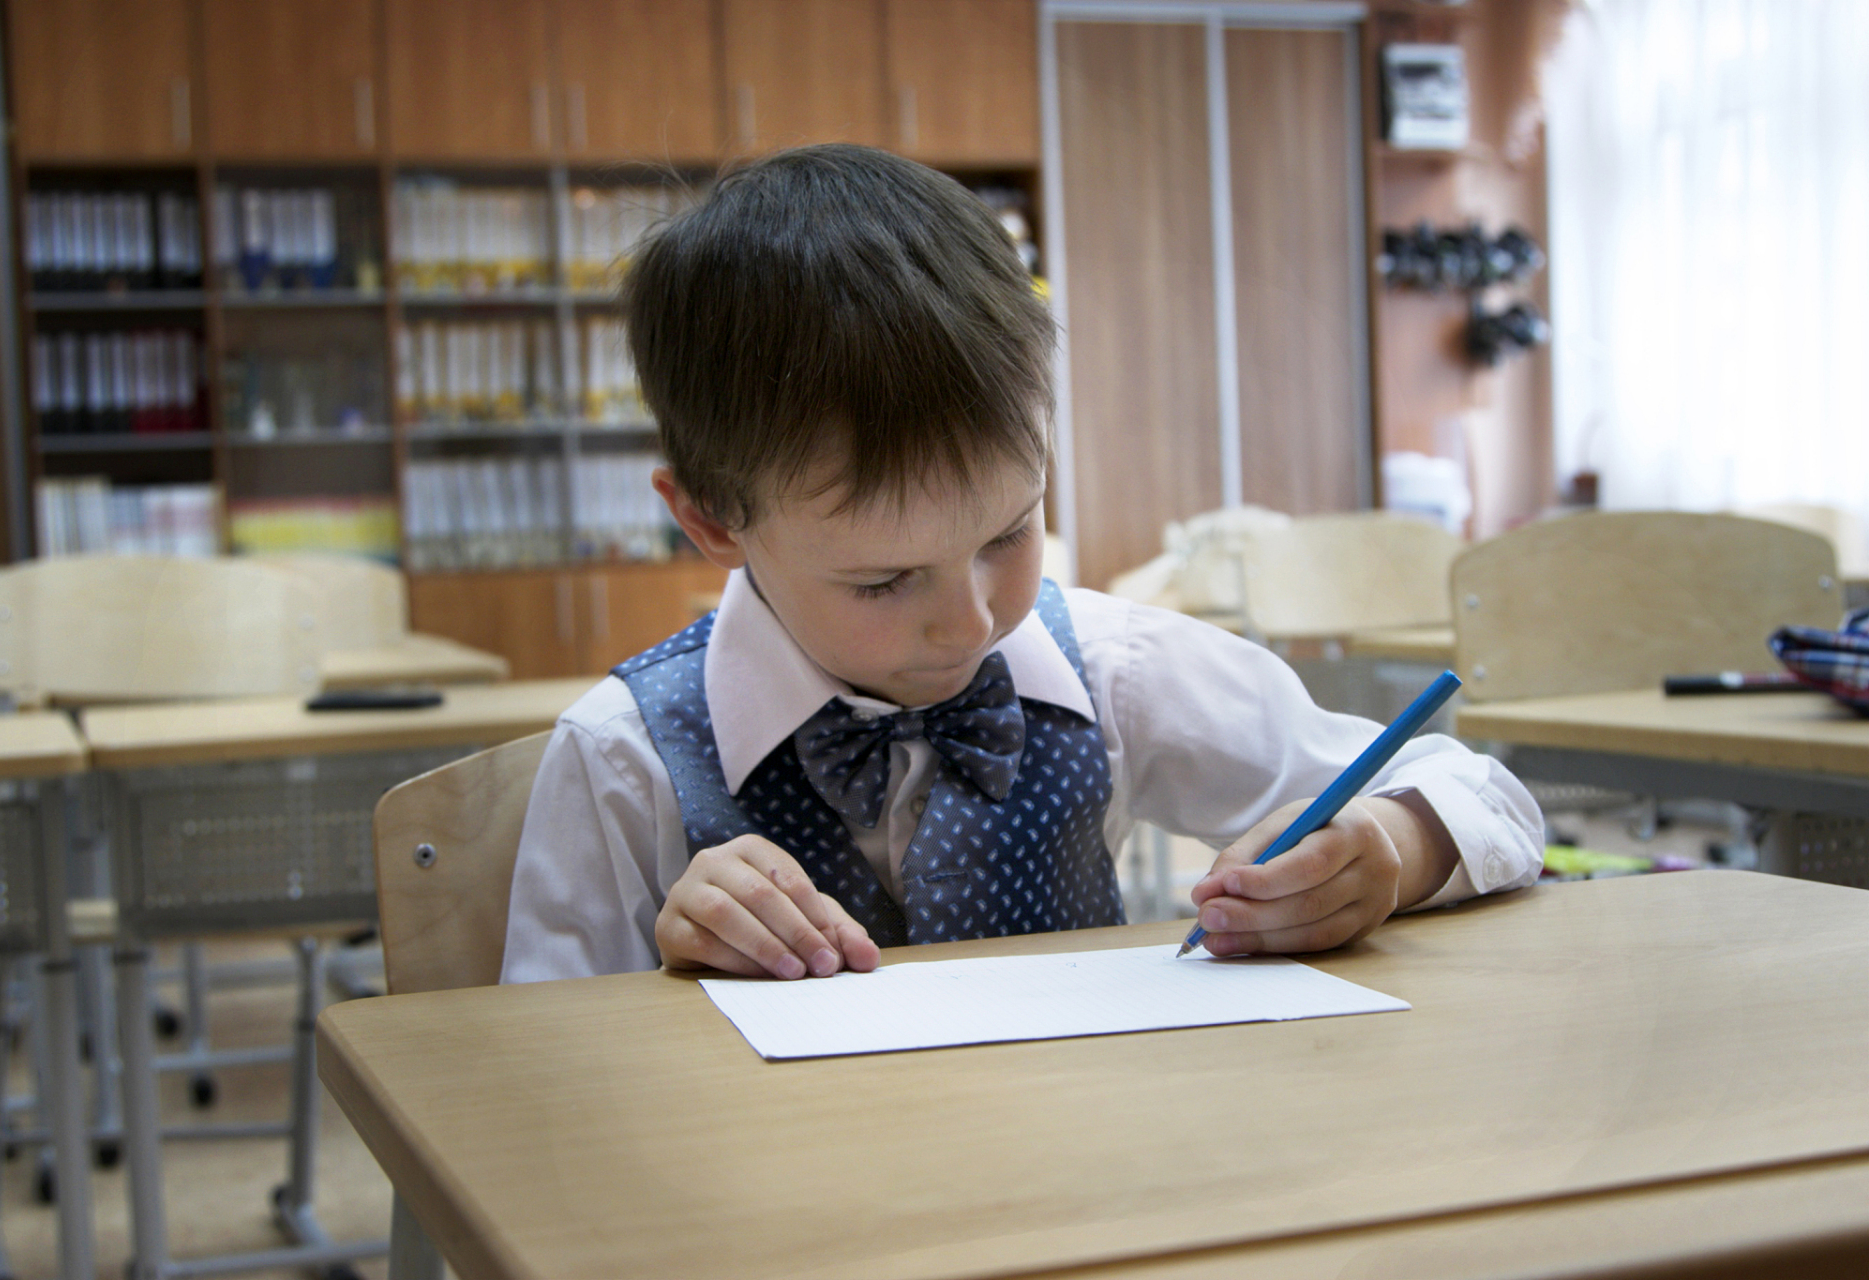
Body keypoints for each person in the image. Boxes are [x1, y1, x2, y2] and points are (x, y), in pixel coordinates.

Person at [500, 145, 1543, 984]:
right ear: (712, 519)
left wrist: (1390, 848)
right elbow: (540, 1102)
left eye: (1008, 531)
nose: (971, 621)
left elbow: (1477, 788)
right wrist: (661, 975)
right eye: (883, 580)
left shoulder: (1113, 667)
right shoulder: (621, 760)